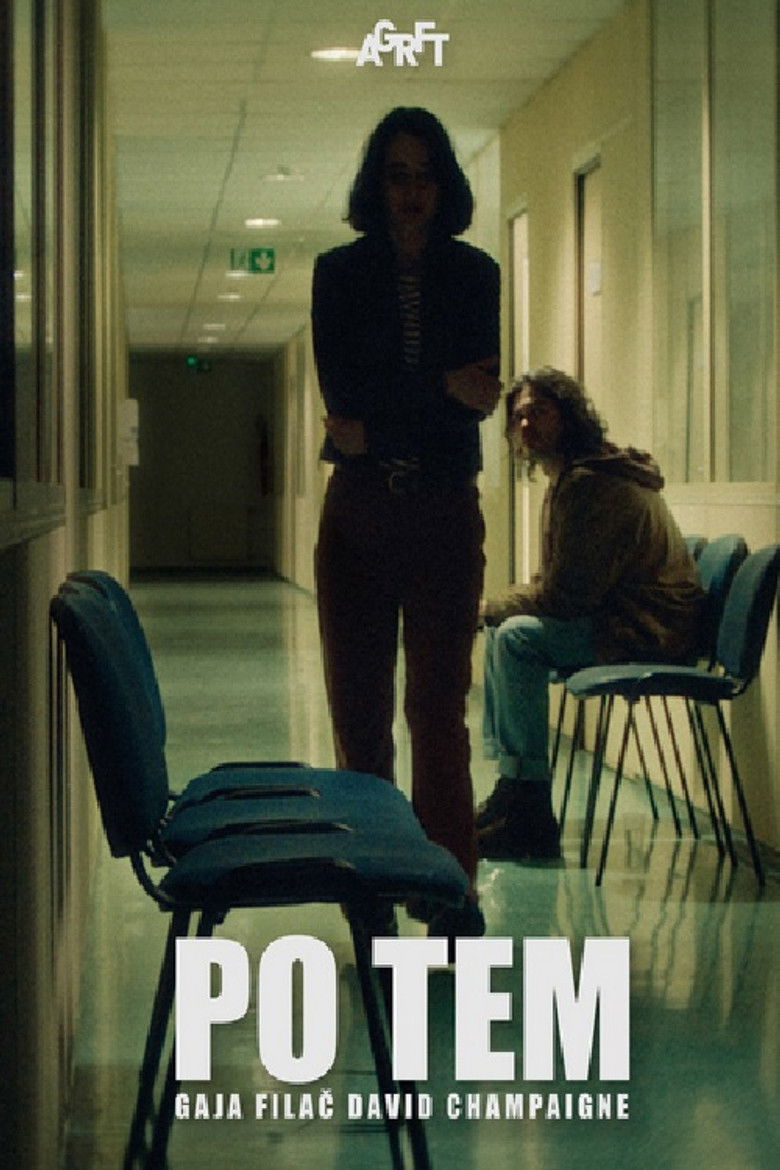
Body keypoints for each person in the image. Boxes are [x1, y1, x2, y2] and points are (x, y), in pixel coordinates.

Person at [311, 107, 500, 936]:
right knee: (360, 715)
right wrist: (436, 392)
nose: (413, 191)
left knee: (437, 709)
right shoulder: (339, 273)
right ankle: (372, 889)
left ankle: (448, 892)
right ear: (376, 183)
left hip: (445, 512)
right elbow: (344, 398)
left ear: (445, 184)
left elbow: (479, 397)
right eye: (398, 174)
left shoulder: (476, 273)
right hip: (357, 516)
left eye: (426, 174)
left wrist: (386, 419)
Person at [478, 367, 704, 860]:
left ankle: (530, 811)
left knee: (515, 636)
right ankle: (514, 788)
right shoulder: (573, 476)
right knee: (503, 631)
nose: (525, 425)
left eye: (538, 412)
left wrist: (492, 605)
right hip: (624, 619)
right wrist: (499, 609)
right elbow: (561, 585)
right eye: (517, 417)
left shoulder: (590, 483)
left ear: (568, 415)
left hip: (648, 630)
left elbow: (566, 598)